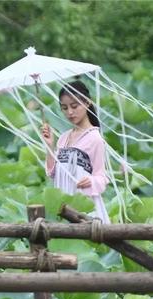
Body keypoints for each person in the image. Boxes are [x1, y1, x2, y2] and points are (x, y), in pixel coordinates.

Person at [42, 80, 111, 224]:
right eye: (64, 108)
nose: (70, 112)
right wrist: (50, 146)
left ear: (87, 103)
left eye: (74, 106)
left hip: (84, 205)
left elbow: (101, 178)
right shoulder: (63, 138)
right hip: (63, 206)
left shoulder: (94, 138)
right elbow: (53, 173)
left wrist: (91, 181)